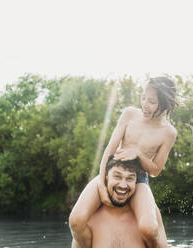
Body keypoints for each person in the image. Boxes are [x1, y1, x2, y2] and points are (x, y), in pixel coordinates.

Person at [69, 77, 177, 248]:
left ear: (164, 105)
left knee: (149, 227)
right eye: (143, 98)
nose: (145, 105)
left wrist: (139, 154)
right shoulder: (129, 114)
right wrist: (103, 184)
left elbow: (156, 170)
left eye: (151, 102)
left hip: (139, 179)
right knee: (76, 219)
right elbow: (109, 150)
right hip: (112, 172)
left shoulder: (169, 132)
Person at [71, 156, 167, 248]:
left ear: (136, 182)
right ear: (106, 178)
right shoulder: (89, 219)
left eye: (130, 178)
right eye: (117, 176)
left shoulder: (149, 213)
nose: (123, 185)